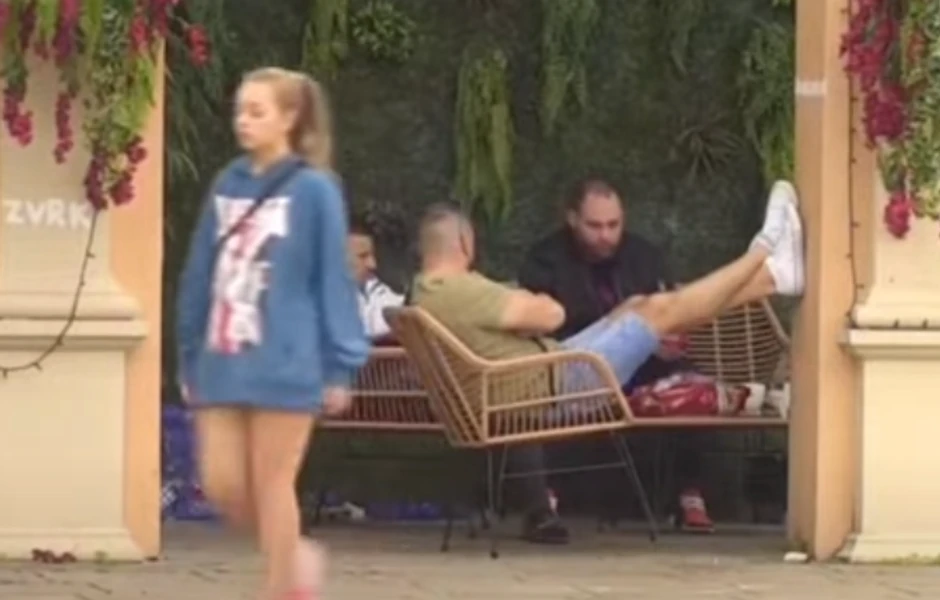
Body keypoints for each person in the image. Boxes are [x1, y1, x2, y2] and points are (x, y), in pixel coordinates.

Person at [410, 181, 803, 542]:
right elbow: (552, 315)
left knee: (639, 305)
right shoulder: (462, 290)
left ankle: (773, 277)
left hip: (544, 373)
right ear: (464, 242)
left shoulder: (426, 291)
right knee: (661, 311)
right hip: (558, 386)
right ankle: (764, 255)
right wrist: (532, 306)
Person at [176, 67, 369, 600]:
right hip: (222, 356)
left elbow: (332, 279)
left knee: (272, 481)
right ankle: (294, 555)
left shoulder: (315, 190)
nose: (243, 120)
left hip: (287, 360)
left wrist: (339, 366)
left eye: (256, 111)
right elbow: (200, 271)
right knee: (222, 484)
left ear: (289, 118)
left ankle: (281, 587)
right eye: (240, 110)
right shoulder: (228, 183)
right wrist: (188, 352)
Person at [517, 178, 710, 531]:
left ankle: (689, 495)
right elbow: (541, 331)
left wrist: (669, 342)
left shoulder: (645, 257)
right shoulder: (544, 262)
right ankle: (546, 501)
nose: (605, 235)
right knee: (546, 392)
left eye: (613, 224)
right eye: (594, 226)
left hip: (643, 368)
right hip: (577, 367)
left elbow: (670, 310)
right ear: (572, 219)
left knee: (687, 386)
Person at [348, 215, 405, 341]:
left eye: (372, 256)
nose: (372, 264)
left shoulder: (372, 289)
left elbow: (393, 307)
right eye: (363, 256)